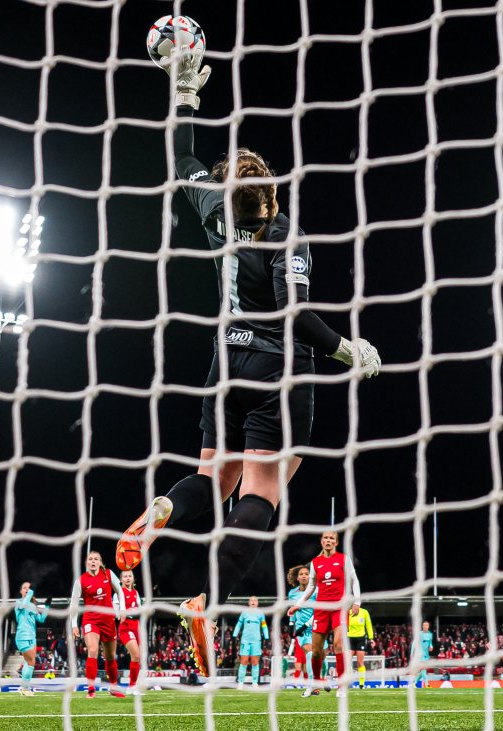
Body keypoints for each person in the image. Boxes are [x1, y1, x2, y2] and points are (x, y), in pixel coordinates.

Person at [115, 28, 382, 679]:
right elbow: (296, 314)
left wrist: (182, 92)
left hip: (221, 363)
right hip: (275, 368)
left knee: (212, 482)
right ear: (272, 191)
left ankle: (159, 514)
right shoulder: (284, 232)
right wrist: (349, 349)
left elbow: (182, 158)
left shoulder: (212, 209)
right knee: (262, 491)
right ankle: (208, 598)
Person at [288, 531, 361, 698]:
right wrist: (297, 605)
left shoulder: (343, 559)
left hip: (339, 608)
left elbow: (354, 580)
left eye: (331, 538)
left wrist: (357, 602)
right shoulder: (315, 563)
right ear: (322, 542)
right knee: (316, 651)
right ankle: (315, 684)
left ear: (336, 543)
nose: (328, 541)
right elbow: (311, 587)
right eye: (326, 538)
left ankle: (342, 686)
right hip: (321, 609)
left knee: (338, 644)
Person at [69, 551, 126, 699]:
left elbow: (120, 591)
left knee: (110, 656)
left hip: (108, 620)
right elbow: (74, 604)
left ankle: (113, 687)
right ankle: (91, 689)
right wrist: (74, 624)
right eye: (90, 559)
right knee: (93, 650)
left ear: (100, 562)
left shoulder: (108, 574)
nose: (93, 561)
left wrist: (122, 609)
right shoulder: (81, 581)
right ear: (86, 563)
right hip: (91, 620)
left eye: (96, 559)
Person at [14, 582, 48, 696]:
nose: (27, 590)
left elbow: (41, 619)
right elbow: (23, 605)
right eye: (24, 588)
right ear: (21, 591)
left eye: (28, 588)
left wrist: (47, 607)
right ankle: (25, 688)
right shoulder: (18, 602)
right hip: (23, 636)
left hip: (32, 636)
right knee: (31, 662)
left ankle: (23, 688)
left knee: (27, 662)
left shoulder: (33, 606)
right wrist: (30, 594)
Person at [285, 565, 315, 687]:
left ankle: (321, 679)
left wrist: (307, 624)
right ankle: (311, 684)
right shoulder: (292, 593)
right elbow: (292, 610)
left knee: (319, 657)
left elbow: (319, 611)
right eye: (301, 574)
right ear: (297, 578)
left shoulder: (316, 591)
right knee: (309, 652)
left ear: (310, 577)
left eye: (306, 574)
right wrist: (291, 624)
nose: (304, 576)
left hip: (315, 626)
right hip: (301, 630)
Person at [115, 570, 144, 694]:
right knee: (136, 655)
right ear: (121, 580)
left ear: (133, 579)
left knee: (138, 657)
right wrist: (121, 613)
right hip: (125, 626)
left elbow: (139, 609)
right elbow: (116, 613)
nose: (127, 578)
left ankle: (134, 685)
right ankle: (131, 687)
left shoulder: (135, 593)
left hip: (136, 625)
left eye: (130, 576)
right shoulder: (118, 593)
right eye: (125, 576)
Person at [233, 596, 269, 689]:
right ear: (249, 603)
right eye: (251, 600)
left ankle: (255, 683)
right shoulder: (244, 613)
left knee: (255, 662)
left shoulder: (261, 614)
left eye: (255, 600)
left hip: (256, 641)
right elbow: (239, 624)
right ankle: (240, 683)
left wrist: (267, 637)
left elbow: (264, 626)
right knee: (243, 662)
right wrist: (234, 634)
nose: (253, 602)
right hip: (245, 640)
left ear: (257, 603)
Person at [347, 604, 374, 689]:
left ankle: (361, 684)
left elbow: (368, 625)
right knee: (347, 662)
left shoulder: (364, 612)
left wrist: (371, 638)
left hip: (361, 639)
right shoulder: (347, 612)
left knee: (360, 662)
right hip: (349, 638)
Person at [416, 620, 434, 688]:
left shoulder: (430, 634)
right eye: (424, 625)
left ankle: (414, 683)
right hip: (420, 654)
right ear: (422, 626)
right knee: (423, 669)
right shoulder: (419, 634)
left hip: (426, 654)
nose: (425, 626)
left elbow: (430, 643)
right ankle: (427, 684)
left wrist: (431, 647)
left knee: (424, 670)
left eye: (426, 625)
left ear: (428, 626)